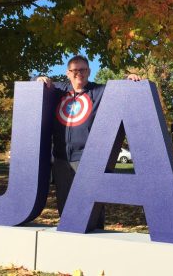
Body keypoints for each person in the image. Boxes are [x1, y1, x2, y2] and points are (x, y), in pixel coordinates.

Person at [36, 55, 141, 218]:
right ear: (68, 73)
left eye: (83, 69)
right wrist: (38, 78)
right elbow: (34, 83)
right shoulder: (58, 90)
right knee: (65, 208)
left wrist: (128, 79)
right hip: (61, 160)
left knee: (91, 212)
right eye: (75, 70)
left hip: (88, 160)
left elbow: (120, 89)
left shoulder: (98, 91)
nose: (79, 73)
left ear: (89, 71)